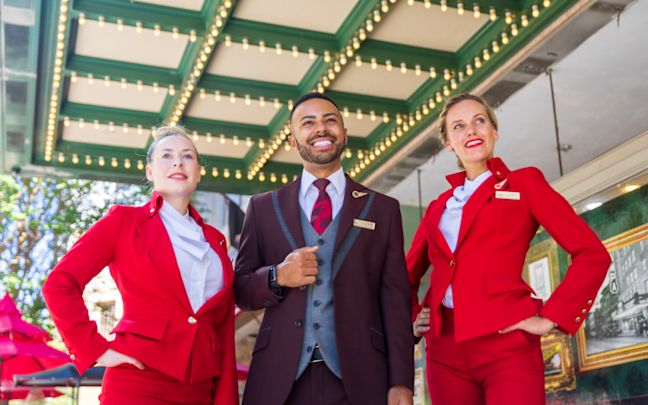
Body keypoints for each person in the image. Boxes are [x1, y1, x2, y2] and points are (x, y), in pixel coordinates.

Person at [407, 93, 611, 405]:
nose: (471, 131)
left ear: (494, 130)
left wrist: (550, 317)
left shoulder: (524, 184)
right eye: (458, 127)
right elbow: (404, 275)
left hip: (508, 346)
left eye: (479, 121)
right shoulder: (437, 207)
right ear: (448, 143)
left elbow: (591, 254)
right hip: (444, 353)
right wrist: (412, 317)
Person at [234, 93, 414, 405]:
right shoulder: (263, 208)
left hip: (359, 378)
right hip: (280, 380)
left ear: (344, 134)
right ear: (293, 141)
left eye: (330, 120)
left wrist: (401, 381)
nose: (321, 129)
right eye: (309, 122)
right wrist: (277, 276)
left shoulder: (381, 209)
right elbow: (241, 289)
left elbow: (395, 300)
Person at [42, 127, 238, 405]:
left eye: (187, 156)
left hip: (200, 388)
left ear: (198, 172)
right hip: (139, 381)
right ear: (149, 172)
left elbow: (222, 329)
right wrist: (96, 350)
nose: (177, 162)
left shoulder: (216, 241)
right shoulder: (124, 221)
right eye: (167, 155)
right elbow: (59, 284)